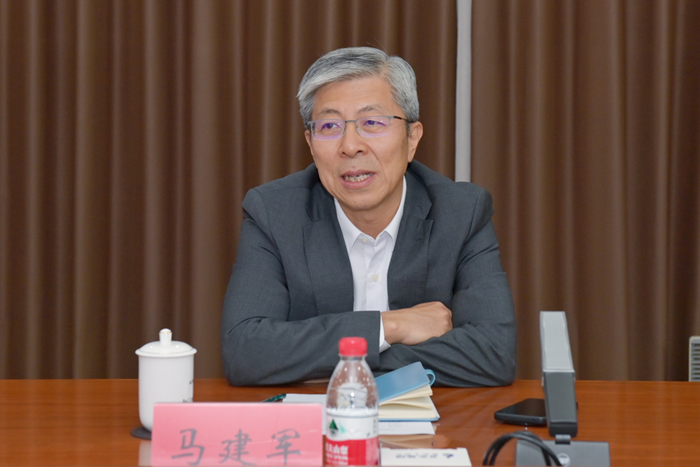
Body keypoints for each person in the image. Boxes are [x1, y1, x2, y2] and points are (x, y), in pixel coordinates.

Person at [221, 47, 516, 387]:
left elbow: (494, 353)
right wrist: (389, 327)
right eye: (329, 126)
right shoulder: (275, 213)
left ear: (412, 139)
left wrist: (345, 360)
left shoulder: (461, 212)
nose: (350, 146)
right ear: (311, 144)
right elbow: (245, 350)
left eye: (372, 123)